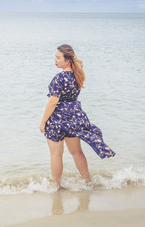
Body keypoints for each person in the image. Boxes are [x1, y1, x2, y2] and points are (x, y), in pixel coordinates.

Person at [39, 44, 115, 187]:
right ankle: (88, 182)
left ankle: (56, 186)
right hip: (74, 116)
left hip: (58, 119)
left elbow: (53, 102)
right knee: (76, 152)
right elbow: (81, 63)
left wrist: (43, 122)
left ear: (67, 60)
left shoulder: (59, 78)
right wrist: (75, 59)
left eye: (58, 57)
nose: (55, 60)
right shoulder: (77, 74)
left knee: (56, 155)